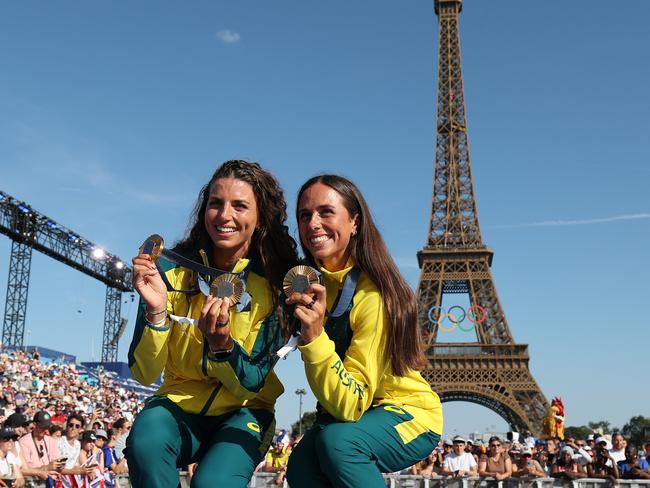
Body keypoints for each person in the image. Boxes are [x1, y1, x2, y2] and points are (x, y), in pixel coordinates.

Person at [126, 160, 298, 488]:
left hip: (246, 410)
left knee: (213, 483)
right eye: (215, 203)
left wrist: (223, 348)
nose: (224, 215)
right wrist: (157, 313)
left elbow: (252, 383)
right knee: (145, 443)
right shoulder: (167, 270)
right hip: (178, 405)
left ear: (261, 217)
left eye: (240, 206)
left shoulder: (276, 286)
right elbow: (144, 373)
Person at [285, 175, 443, 487]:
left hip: (408, 414)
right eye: (305, 215)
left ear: (355, 222)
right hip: (348, 418)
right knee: (301, 466)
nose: (313, 223)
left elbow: (351, 403)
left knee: (340, 443)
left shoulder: (373, 296)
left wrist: (315, 337)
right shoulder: (308, 283)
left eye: (326, 212)